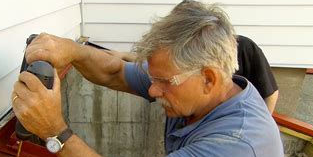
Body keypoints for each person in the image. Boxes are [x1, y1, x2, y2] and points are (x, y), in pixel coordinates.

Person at [11, 0, 305, 157]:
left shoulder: (238, 145)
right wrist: (72, 50)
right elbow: (114, 72)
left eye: (164, 81)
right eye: (153, 77)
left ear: (209, 79)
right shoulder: (195, 86)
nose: (152, 89)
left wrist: (54, 131)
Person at [107, 35, 279, 113]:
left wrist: (263, 121)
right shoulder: (184, 66)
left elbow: (270, 92)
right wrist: (124, 56)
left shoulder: (245, 48)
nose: (153, 90)